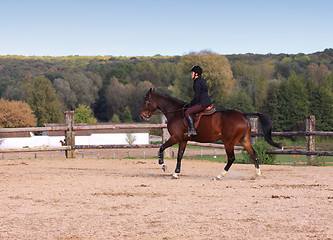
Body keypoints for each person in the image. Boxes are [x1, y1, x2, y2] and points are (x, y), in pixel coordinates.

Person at [184, 65, 212, 136]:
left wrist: (191, 104)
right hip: (206, 101)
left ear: (196, 74)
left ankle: (192, 129)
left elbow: (197, 97)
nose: (191, 74)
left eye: (192, 72)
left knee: (187, 112)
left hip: (202, 103)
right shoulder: (201, 81)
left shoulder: (197, 83)